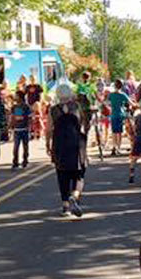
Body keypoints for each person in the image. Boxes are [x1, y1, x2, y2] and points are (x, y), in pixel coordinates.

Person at [45, 83, 86, 217]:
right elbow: (82, 123)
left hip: (59, 143)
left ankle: (65, 206)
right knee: (78, 173)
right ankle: (74, 195)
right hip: (75, 143)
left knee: (61, 173)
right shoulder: (77, 107)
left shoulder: (53, 110)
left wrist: (47, 142)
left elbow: (49, 129)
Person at [108, 79, 131, 156]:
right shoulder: (123, 95)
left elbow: (107, 103)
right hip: (121, 114)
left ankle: (114, 146)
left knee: (114, 132)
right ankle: (118, 147)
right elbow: (130, 103)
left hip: (113, 114)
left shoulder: (111, 95)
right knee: (119, 132)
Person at [10, 89, 32, 168]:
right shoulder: (14, 107)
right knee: (16, 146)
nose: (15, 97)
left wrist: (29, 126)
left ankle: (25, 159)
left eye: (16, 95)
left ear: (20, 97)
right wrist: (11, 125)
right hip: (17, 129)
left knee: (25, 146)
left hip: (24, 129)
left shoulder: (26, 107)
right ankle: (15, 161)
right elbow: (13, 117)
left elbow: (29, 117)